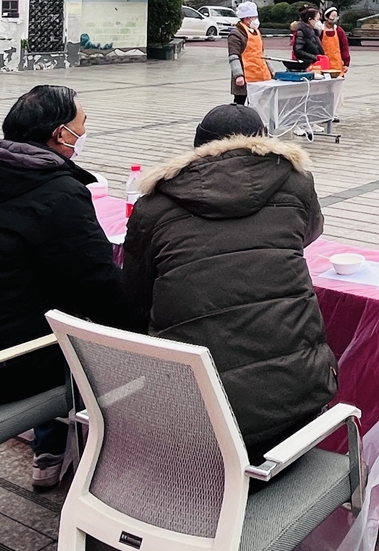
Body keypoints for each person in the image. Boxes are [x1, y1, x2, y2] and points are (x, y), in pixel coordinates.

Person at [0, 85, 138, 488]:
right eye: (82, 125)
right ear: (61, 134)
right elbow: (98, 288)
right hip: (7, 368)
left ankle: (52, 449)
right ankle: (120, 473)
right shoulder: (56, 192)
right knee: (133, 346)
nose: (84, 133)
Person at [122, 104, 337, 462]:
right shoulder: (296, 182)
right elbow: (309, 232)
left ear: (198, 147)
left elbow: (135, 295)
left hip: (195, 416)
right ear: (263, 141)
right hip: (298, 402)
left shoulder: (154, 204)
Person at [227, 0, 273, 103]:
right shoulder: (236, 34)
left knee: (258, 104)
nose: (255, 20)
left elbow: (261, 53)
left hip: (260, 73)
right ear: (246, 18)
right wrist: (238, 75)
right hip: (245, 75)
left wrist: (271, 70)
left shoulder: (256, 31)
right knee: (240, 103)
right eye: (253, 17)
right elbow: (233, 56)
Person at [319, 7, 352, 77]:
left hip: (337, 63)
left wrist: (346, 63)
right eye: (333, 16)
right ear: (326, 17)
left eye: (336, 16)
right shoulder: (320, 30)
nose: (335, 19)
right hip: (322, 63)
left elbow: (344, 47)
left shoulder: (339, 31)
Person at [292, 6, 325, 70]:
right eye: (317, 19)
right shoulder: (301, 32)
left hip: (315, 65)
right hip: (306, 66)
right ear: (310, 19)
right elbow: (298, 51)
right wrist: (315, 57)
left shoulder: (314, 32)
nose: (319, 22)